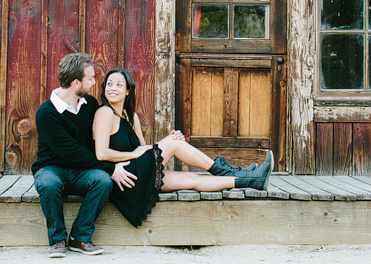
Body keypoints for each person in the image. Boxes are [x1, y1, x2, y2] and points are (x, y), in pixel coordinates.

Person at [93, 68, 273, 227]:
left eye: (118, 85)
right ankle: (227, 171)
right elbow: (101, 153)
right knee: (173, 142)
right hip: (126, 178)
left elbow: (143, 150)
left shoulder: (131, 116)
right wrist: (167, 144)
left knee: (191, 178)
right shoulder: (104, 113)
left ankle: (250, 181)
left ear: (127, 91)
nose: (113, 88)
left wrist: (167, 143)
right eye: (109, 84)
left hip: (137, 173)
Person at [32, 53, 136, 258]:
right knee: (48, 183)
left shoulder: (89, 104)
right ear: (75, 82)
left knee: (102, 181)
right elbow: (72, 152)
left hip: (83, 172)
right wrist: (110, 167)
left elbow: (104, 138)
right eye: (90, 78)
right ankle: (57, 239)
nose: (94, 82)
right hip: (53, 168)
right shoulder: (46, 113)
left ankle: (79, 237)